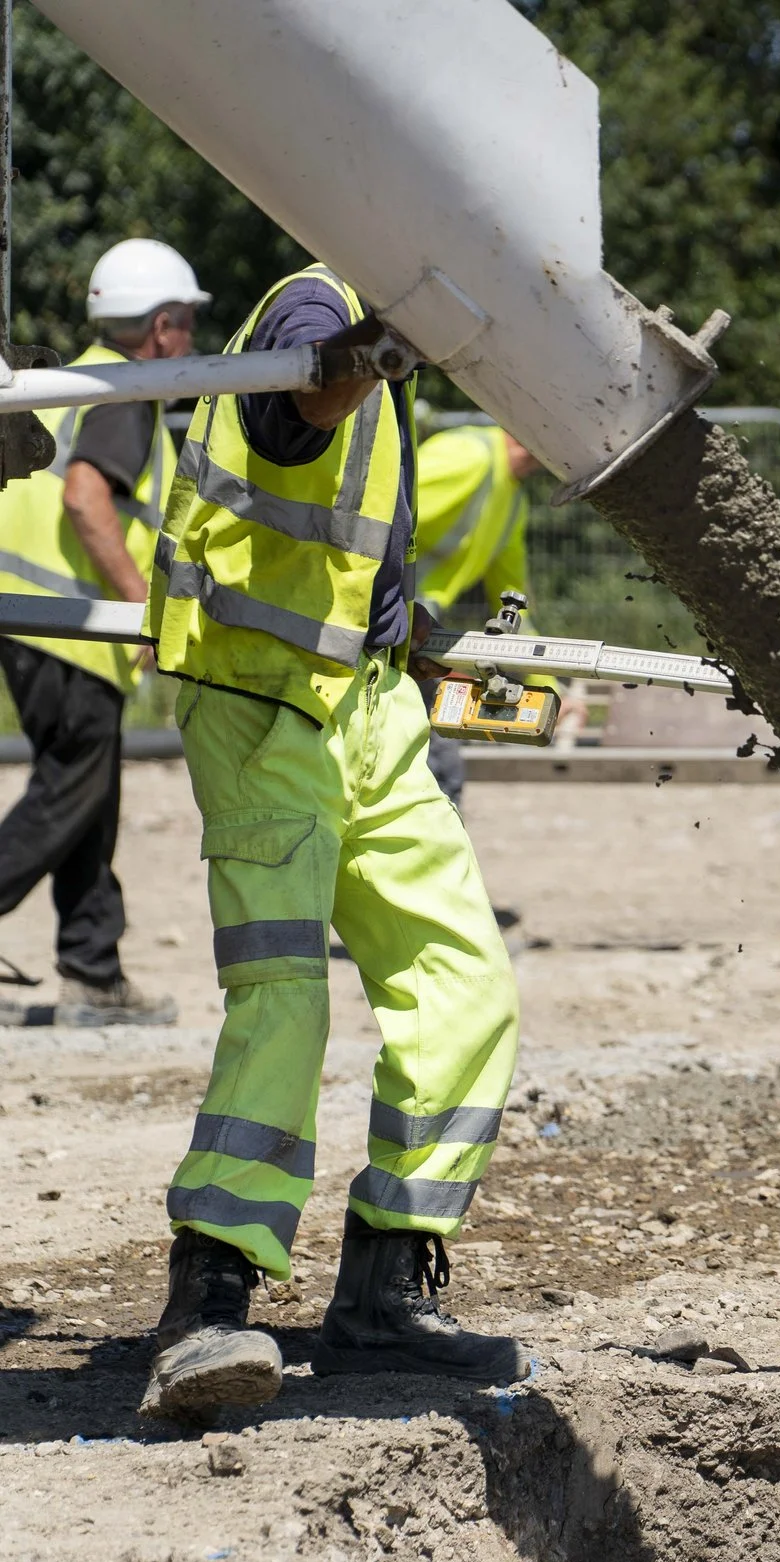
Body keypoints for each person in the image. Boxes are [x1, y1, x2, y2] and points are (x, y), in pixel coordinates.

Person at [139, 264, 524, 1420]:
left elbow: (350, 547)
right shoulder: (320, 308)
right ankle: (207, 1295)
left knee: (466, 984)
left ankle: (386, 1280)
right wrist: (378, 350)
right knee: (285, 997)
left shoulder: (383, 343)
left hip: (368, 705)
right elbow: (298, 408)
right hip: (262, 703)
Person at [0, 239, 203, 1026]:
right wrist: (143, 607)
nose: (191, 340)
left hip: (36, 619)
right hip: (75, 626)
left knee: (89, 792)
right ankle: (92, 964)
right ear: (160, 327)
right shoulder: (122, 392)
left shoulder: (67, 378)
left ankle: (93, 965)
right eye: (186, 323)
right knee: (68, 793)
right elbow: (86, 498)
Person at [410, 422, 537, 810]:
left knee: (428, 738)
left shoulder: (512, 500)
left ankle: (441, 813)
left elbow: (515, 606)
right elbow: (377, 516)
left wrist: (548, 681)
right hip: (384, 616)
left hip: (416, 625)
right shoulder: (468, 457)